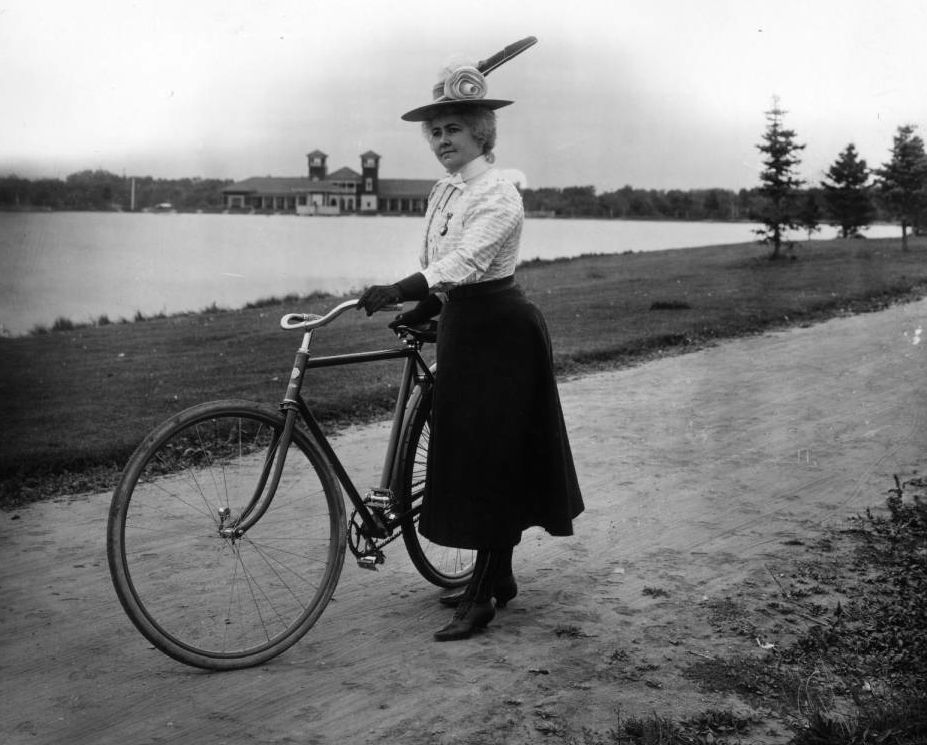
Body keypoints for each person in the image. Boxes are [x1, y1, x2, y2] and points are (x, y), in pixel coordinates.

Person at [357, 53, 584, 642]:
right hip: (463, 326)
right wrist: (427, 306)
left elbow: (471, 260)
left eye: (453, 128)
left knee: (492, 457)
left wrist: (403, 290)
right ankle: (498, 577)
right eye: (433, 131)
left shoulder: (500, 194)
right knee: (470, 450)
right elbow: (442, 267)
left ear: (482, 131)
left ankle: (482, 595)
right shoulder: (445, 192)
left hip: (502, 331)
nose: (441, 140)